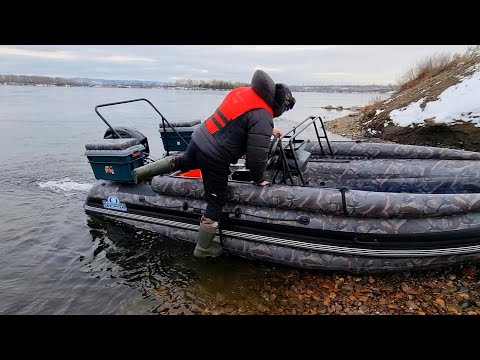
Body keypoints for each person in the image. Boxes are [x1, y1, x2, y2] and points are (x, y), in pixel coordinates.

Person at [138, 70, 296, 258]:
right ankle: (203, 249)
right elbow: (256, 157)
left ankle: (139, 173)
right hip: (214, 156)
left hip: (199, 138)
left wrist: (269, 129)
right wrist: (258, 179)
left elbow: (239, 120)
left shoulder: (244, 92)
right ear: (278, 104)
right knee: (216, 200)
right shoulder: (263, 115)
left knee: (183, 161)